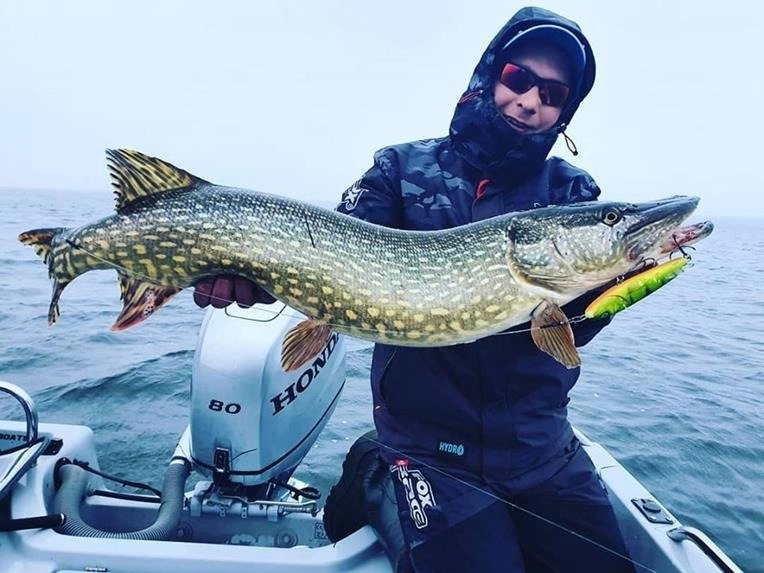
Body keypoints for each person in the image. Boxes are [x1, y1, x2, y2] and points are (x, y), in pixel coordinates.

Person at [195, 6, 636, 572]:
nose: (530, 101)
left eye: (552, 94)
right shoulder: (399, 170)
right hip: (431, 450)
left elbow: (574, 330)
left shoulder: (571, 193)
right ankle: (376, 474)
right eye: (519, 78)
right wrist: (257, 279)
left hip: (541, 448)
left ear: (564, 112)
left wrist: (616, 286)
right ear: (489, 75)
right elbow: (327, 257)